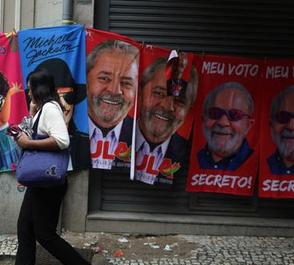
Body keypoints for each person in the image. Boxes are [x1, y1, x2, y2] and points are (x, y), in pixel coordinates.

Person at [3, 68, 99, 265]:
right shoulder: (43, 109)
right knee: (25, 227)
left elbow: (62, 140)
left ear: (38, 89)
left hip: (49, 183)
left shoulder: (50, 109)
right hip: (40, 181)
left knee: (45, 235)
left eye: (29, 88)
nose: (27, 92)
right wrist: (28, 122)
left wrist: (29, 144)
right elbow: (36, 133)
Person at [135, 56, 198, 185]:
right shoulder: (116, 134)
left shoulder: (192, 156)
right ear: (140, 93)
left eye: (179, 101)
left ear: (189, 109)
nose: (167, 106)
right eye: (158, 93)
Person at [87, 39, 139, 169]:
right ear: (86, 80)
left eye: (126, 83)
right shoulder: (66, 128)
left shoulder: (143, 138)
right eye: (104, 78)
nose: (115, 91)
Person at [31, 58, 90, 170]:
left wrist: (28, 143)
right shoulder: (46, 110)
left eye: (67, 95)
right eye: (56, 97)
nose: (63, 104)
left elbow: (61, 141)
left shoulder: (84, 143)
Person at [197, 82, 255, 170]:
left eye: (235, 114)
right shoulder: (188, 159)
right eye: (214, 113)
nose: (223, 122)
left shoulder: (259, 166)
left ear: (248, 125)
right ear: (203, 119)